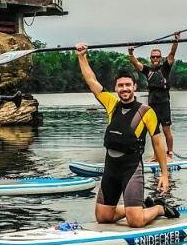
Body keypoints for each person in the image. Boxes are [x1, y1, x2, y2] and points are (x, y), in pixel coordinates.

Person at [76, 42, 178, 225]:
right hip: (111, 169)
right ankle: (140, 207)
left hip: (131, 169)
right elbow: (91, 81)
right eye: (120, 85)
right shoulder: (110, 104)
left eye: (128, 85)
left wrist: (164, 174)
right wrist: (81, 57)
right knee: (103, 218)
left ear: (135, 87)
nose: (124, 89)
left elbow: (158, 143)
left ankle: (159, 207)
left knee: (135, 222)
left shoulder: (146, 111)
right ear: (115, 88)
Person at [128, 32, 180, 159]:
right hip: (152, 104)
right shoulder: (148, 70)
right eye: (153, 57)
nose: (155, 59)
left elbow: (172, 54)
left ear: (161, 58)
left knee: (166, 130)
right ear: (150, 59)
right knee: (154, 131)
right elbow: (136, 64)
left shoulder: (165, 68)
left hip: (164, 103)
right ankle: (157, 155)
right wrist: (131, 53)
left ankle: (169, 154)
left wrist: (176, 41)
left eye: (157, 57)